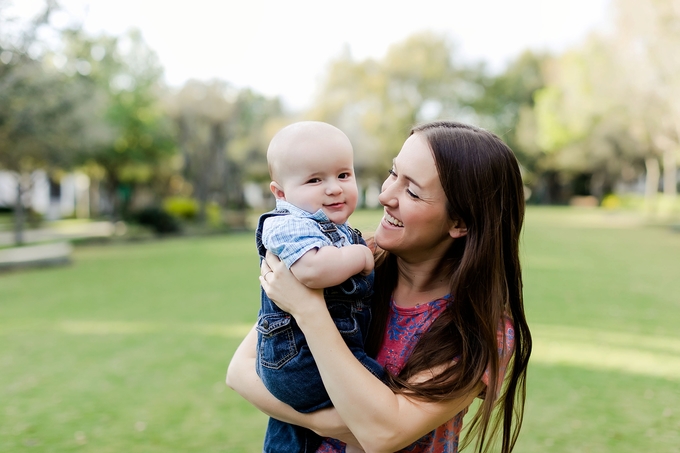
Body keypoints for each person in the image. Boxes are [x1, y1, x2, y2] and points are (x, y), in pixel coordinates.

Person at [227, 121, 532, 453]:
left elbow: (382, 435)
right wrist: (325, 423)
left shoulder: (480, 329)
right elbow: (241, 370)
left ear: (459, 222)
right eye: (393, 173)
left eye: (411, 191)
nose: (386, 195)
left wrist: (308, 309)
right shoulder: (348, 259)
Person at [253, 121, 385, 453]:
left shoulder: (335, 229)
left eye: (343, 175)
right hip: (299, 361)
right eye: (315, 180)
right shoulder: (288, 226)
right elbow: (313, 271)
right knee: (378, 394)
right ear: (281, 194)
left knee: (292, 433)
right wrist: (360, 256)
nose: (334, 188)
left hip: (312, 355)